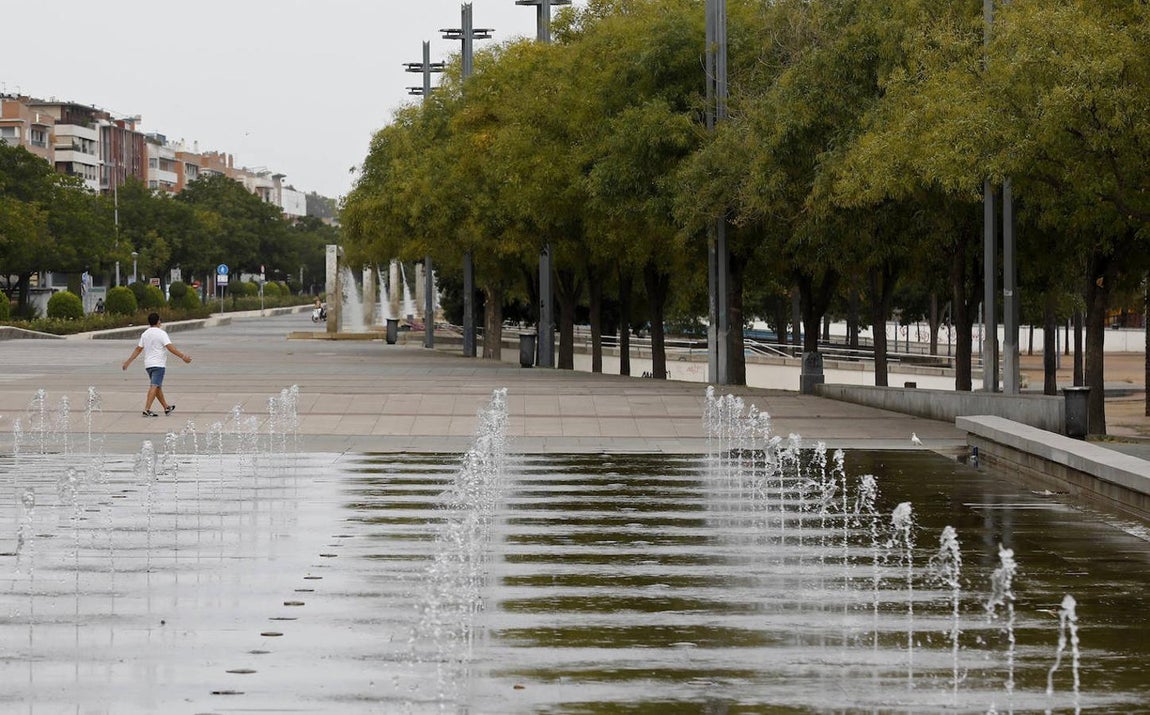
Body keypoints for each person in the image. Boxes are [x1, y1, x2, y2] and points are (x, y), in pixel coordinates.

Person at [122, 312, 192, 417]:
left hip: (148, 365)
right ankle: (147, 409)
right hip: (158, 365)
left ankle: (166, 407)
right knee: (154, 386)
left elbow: (138, 349)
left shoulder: (145, 334)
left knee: (157, 387)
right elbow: (170, 347)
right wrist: (183, 357)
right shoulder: (161, 333)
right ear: (158, 321)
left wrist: (128, 361)